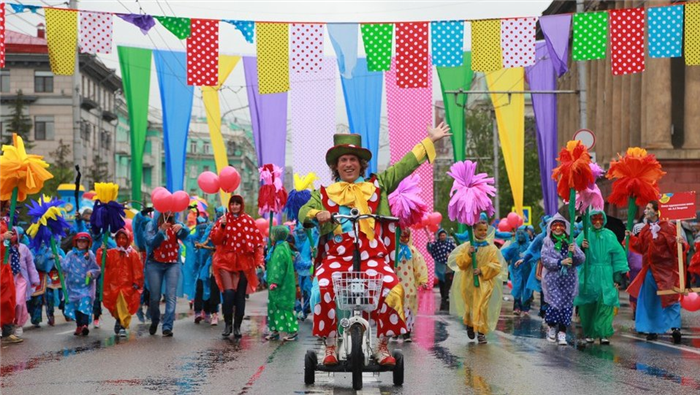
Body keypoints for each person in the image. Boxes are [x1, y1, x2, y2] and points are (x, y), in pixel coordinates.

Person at [299, 124, 451, 366]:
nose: (348, 164)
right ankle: (330, 345)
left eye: (353, 160)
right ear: (336, 166)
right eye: (343, 160)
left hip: (372, 255)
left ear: (361, 164)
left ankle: (381, 345)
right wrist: (318, 213)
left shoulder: (377, 185)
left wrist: (429, 141)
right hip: (337, 257)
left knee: (393, 289)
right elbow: (303, 211)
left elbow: (403, 167)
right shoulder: (325, 192)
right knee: (322, 288)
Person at [626, 201, 685, 343]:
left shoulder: (668, 227)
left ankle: (675, 328)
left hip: (666, 271)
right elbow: (641, 247)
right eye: (645, 208)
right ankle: (652, 330)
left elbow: (676, 248)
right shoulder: (645, 230)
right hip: (650, 270)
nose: (645, 211)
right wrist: (631, 238)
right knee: (650, 300)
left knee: (670, 298)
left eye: (648, 208)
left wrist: (678, 242)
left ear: (656, 211)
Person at [210, 195, 265, 338]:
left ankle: (237, 327)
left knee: (240, 296)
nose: (234, 206)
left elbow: (258, 243)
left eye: (237, 204)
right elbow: (215, 239)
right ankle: (228, 324)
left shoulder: (248, 221)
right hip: (225, 262)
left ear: (241, 205)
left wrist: (259, 261)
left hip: (243, 264)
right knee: (228, 294)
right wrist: (222, 226)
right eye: (232, 204)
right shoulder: (223, 220)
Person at [575, 210, 628, 344]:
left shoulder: (609, 235)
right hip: (589, 274)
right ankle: (590, 333)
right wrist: (582, 247)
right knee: (589, 304)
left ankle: (603, 332)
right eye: (594, 219)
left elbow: (618, 256)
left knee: (606, 303)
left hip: (606, 274)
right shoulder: (584, 235)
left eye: (600, 219)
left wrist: (617, 277)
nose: (598, 222)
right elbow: (574, 253)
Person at [449, 219, 504, 344]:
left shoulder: (491, 249)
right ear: (474, 231)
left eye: (485, 230)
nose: (483, 232)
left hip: (485, 283)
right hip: (469, 282)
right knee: (470, 307)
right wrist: (468, 254)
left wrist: (482, 270)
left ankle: (481, 332)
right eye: (480, 230)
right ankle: (470, 324)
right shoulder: (468, 246)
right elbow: (460, 264)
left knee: (482, 307)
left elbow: (496, 266)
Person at [540, 214, 585, 346]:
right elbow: (545, 259)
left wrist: (575, 250)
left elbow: (580, 259)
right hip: (553, 280)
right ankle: (552, 328)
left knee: (566, 306)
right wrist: (560, 262)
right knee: (554, 305)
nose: (558, 228)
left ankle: (563, 333)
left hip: (568, 280)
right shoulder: (547, 242)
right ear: (551, 228)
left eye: (561, 226)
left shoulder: (571, 241)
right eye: (555, 225)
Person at [144, 212, 189, 337]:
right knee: (154, 297)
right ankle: (155, 320)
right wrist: (161, 232)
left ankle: (167, 326)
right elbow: (150, 242)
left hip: (172, 264)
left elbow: (187, 235)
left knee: (171, 295)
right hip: (154, 264)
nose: (168, 214)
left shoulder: (177, 224)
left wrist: (183, 229)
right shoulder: (152, 225)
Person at [97, 229, 144, 337]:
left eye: (124, 238)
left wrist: (137, 282)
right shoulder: (112, 252)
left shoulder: (133, 254)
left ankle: (123, 325)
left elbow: (137, 269)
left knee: (125, 306)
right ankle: (119, 320)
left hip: (127, 286)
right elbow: (103, 262)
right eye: (119, 238)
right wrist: (101, 251)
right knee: (115, 306)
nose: (121, 240)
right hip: (113, 285)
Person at [61, 232, 100, 336]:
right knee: (76, 307)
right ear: (76, 242)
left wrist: (91, 273)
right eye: (79, 241)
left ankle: (85, 326)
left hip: (86, 287)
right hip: (72, 287)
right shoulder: (70, 254)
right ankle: (79, 325)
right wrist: (59, 259)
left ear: (88, 243)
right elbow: (64, 267)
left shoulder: (90, 254)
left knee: (85, 305)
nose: (81, 243)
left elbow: (96, 268)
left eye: (84, 241)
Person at [265, 226, 299, 341]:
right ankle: (275, 330)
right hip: (281, 284)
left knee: (283, 307)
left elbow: (278, 267)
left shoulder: (280, 249)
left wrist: (275, 281)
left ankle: (292, 330)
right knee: (274, 307)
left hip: (280, 285)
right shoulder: (281, 246)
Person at [395, 228, 428, 342]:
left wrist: (423, 280)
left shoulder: (412, 251)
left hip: (409, 285)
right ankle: (395, 330)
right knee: (395, 306)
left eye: (406, 237)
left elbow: (419, 266)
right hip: (395, 284)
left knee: (408, 308)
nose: (403, 239)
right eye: (401, 236)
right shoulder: (393, 250)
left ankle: (407, 330)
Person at [8, 227, 40, 338]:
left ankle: (18, 324)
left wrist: (35, 280)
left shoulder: (24, 248)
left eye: (13, 234)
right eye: (9, 234)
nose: (11, 236)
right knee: (6, 303)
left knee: (19, 302)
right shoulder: (4, 248)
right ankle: (5, 325)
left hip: (21, 279)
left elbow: (30, 265)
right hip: (7, 279)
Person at [28, 243, 66, 327]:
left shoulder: (57, 247)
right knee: (39, 298)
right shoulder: (34, 249)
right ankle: (37, 319)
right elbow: (34, 263)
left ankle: (64, 313)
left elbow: (65, 263)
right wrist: (47, 257)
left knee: (60, 294)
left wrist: (60, 259)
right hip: (39, 275)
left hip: (56, 275)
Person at [193, 214, 220, 326]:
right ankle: (201, 312)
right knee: (202, 285)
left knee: (216, 288)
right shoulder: (210, 229)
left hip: (222, 262)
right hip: (208, 264)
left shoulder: (230, 227)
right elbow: (203, 244)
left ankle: (214, 312)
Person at [501, 226, 533, 316]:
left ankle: (526, 308)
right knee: (517, 288)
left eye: (522, 233)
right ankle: (517, 307)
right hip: (516, 271)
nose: (520, 236)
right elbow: (506, 255)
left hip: (527, 271)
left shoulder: (529, 245)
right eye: (518, 234)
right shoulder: (514, 246)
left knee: (527, 289)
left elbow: (534, 254)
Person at [427, 228, 456, 304]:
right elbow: (430, 249)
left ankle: (446, 295)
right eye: (441, 235)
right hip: (439, 264)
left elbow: (455, 251)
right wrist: (429, 244)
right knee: (441, 281)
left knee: (448, 280)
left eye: (444, 235)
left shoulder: (450, 243)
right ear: (439, 236)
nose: (442, 237)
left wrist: (451, 255)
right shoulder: (436, 244)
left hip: (448, 265)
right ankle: (443, 295)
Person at [293, 227, 315, 321]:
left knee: (308, 291)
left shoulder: (310, 239)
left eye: (302, 232)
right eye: (298, 232)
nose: (300, 234)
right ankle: (299, 309)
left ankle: (305, 310)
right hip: (297, 271)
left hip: (309, 269)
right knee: (299, 291)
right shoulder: (295, 241)